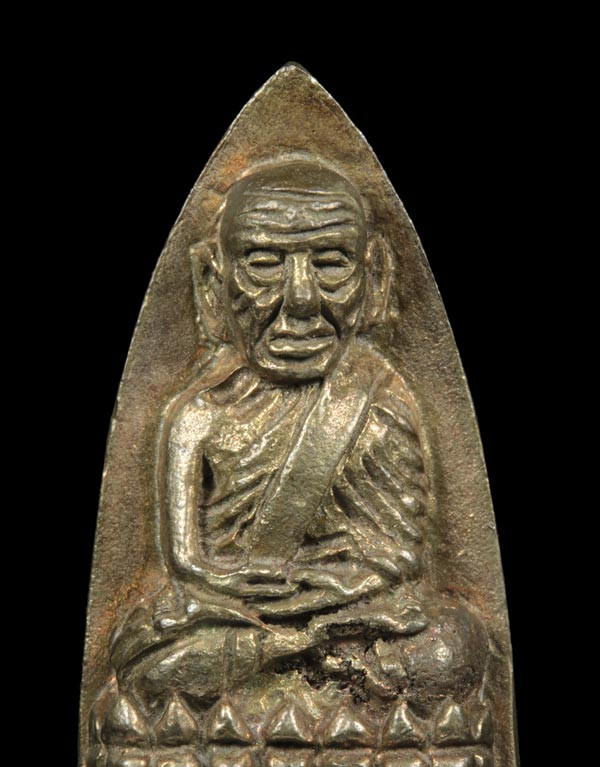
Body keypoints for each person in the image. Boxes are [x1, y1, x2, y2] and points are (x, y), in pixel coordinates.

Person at [107, 161, 488, 719]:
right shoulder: (196, 415)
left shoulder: (377, 396)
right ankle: (306, 666)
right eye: (264, 264)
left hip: (348, 613)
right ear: (213, 280)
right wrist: (238, 584)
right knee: (141, 655)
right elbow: (187, 564)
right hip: (233, 617)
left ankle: (300, 673)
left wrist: (331, 587)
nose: (302, 298)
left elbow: (402, 556)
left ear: (374, 276)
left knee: (454, 644)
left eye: (331, 263)